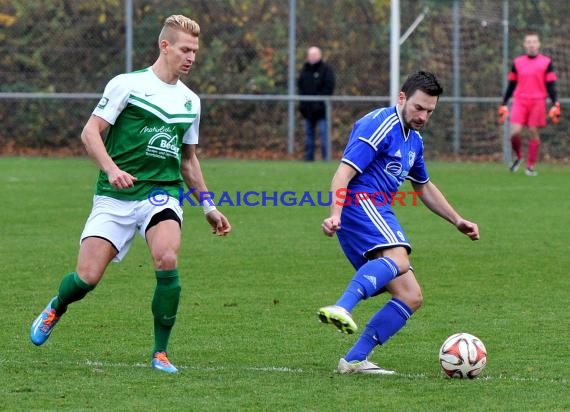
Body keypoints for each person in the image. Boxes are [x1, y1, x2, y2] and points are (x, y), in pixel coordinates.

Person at [29, 15, 231, 374]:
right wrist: (111, 169)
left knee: (167, 257)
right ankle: (58, 305)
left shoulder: (191, 102)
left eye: (196, 51)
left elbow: (188, 161)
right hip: (114, 196)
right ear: (164, 46)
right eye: (185, 49)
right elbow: (91, 132)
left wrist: (209, 206)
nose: (191, 57)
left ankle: (160, 352)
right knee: (87, 278)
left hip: (161, 195)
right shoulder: (127, 85)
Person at [317, 71, 480, 375]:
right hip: (359, 203)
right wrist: (335, 213)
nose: (423, 116)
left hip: (378, 210)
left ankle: (353, 360)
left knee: (411, 295)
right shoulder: (379, 124)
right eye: (419, 107)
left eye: (430, 111)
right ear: (402, 98)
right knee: (399, 258)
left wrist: (456, 220)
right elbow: (343, 173)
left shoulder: (414, 141)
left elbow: (424, 186)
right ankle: (342, 306)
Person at [498, 31, 560, 176]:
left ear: (538, 44)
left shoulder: (546, 62)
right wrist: (504, 102)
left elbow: (551, 84)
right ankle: (519, 156)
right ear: (525, 45)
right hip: (520, 100)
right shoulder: (518, 62)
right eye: (529, 42)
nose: (531, 44)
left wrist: (555, 102)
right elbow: (512, 84)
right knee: (515, 132)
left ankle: (530, 166)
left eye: (534, 42)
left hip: (538, 101)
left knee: (533, 132)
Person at [297, 46, 335, 161]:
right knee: (309, 136)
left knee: (324, 135)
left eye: (314, 55)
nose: (312, 57)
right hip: (307, 110)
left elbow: (329, 87)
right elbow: (301, 87)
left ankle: (326, 158)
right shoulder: (305, 70)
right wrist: (304, 104)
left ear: (319, 55)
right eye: (310, 55)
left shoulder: (326, 69)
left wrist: (318, 102)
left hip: (321, 109)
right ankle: (309, 159)